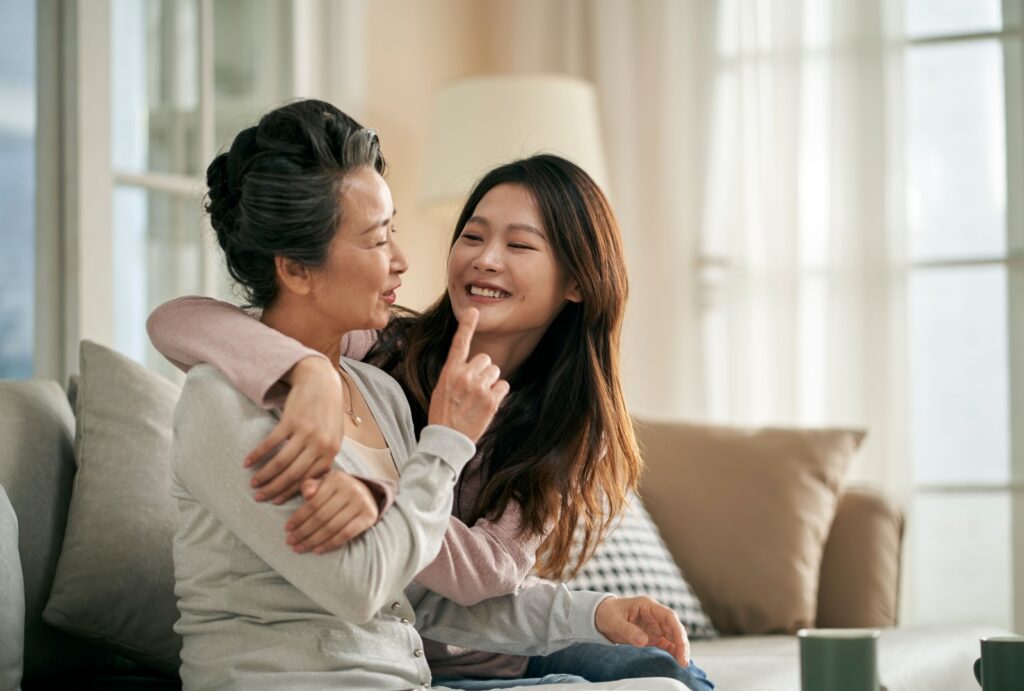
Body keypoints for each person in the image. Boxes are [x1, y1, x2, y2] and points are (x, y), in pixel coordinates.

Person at [168, 98, 693, 691]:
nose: (402, 261)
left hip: (418, 671)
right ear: (297, 269)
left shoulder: (378, 392)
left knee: (666, 682)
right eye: (376, 240)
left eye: (519, 246)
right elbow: (362, 582)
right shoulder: (251, 393)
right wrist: (433, 437)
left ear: (577, 282)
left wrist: (593, 613)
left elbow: (416, 590)